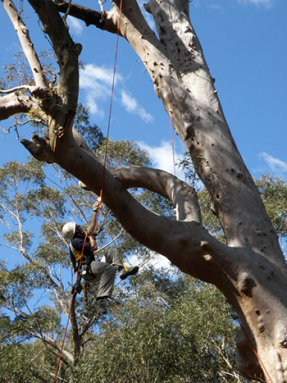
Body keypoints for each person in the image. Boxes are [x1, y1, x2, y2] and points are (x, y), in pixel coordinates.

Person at [62, 201, 139, 314]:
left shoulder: (80, 238)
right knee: (109, 268)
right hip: (87, 269)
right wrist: (91, 238)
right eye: (78, 227)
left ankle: (122, 271)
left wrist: (94, 210)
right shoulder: (75, 242)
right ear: (75, 232)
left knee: (111, 252)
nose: (80, 227)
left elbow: (91, 229)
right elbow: (93, 247)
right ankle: (99, 300)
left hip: (93, 268)